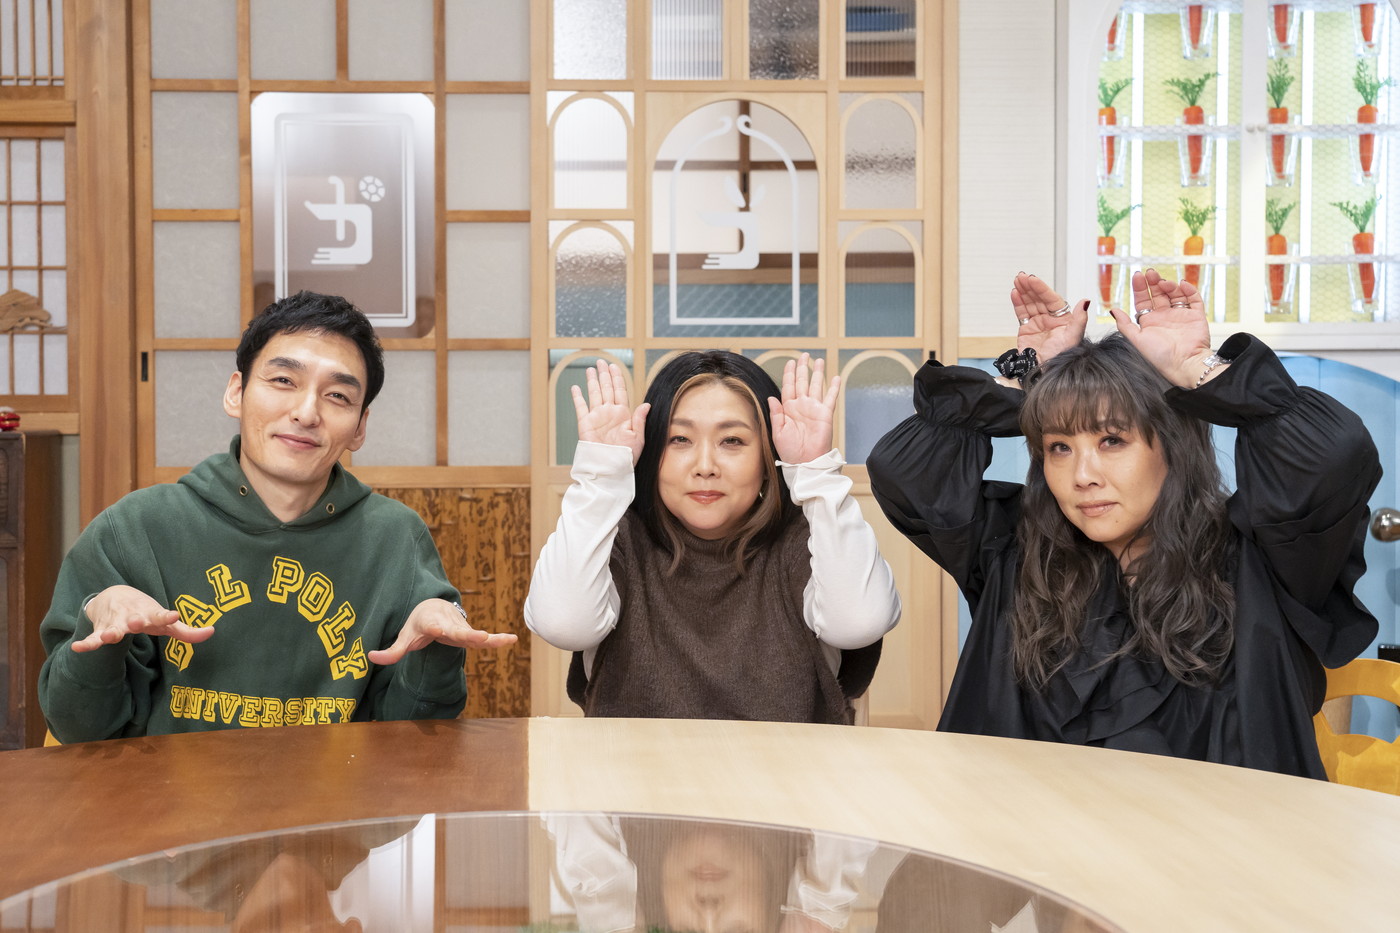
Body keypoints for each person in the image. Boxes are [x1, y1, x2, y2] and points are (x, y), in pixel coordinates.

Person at [867, 270, 1379, 778]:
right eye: (1059, 447)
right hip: (1027, 832)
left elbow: (1332, 456)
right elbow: (907, 473)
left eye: (1112, 440)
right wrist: (1026, 372)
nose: (1083, 475)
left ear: (1172, 447)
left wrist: (1197, 366)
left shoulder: (1261, 561)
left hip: (1224, 833)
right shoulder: (1017, 555)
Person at [39, 291, 515, 742]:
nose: (306, 413)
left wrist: (436, 648)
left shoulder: (393, 538)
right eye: (284, 381)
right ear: (236, 392)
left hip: (338, 800)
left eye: (338, 396)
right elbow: (80, 731)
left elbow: (415, 735)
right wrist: (99, 626)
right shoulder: (137, 528)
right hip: (169, 799)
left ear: (359, 427)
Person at [525, 351, 900, 723]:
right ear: (652, 452)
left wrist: (815, 473)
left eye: (732, 441)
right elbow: (562, 624)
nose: (705, 467)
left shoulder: (809, 542)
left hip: (786, 764)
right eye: (679, 439)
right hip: (632, 763)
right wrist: (602, 477)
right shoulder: (616, 540)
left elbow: (859, 624)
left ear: (767, 458)